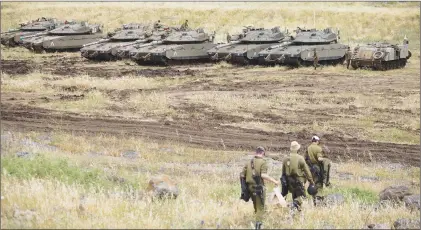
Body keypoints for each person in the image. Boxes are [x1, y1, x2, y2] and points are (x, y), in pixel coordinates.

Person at [240, 146, 280, 230]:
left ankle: (257, 220)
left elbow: (242, 175)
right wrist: (275, 181)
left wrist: (244, 188)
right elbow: (263, 175)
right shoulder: (263, 162)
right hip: (258, 188)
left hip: (249, 188)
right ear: (263, 153)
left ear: (256, 153)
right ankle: (258, 226)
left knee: (256, 206)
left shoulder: (249, 162)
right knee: (260, 208)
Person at [281, 141, 314, 212]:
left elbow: (283, 173)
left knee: (294, 196)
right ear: (297, 149)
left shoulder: (285, 159)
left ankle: (295, 212)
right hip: (299, 181)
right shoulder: (300, 158)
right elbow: (307, 171)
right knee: (302, 198)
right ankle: (293, 205)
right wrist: (311, 181)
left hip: (289, 182)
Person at [305, 136, 332, 204]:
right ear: (317, 141)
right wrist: (326, 160)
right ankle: (318, 202)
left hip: (310, 169)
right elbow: (319, 158)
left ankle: (314, 200)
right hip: (317, 169)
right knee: (319, 185)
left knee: (312, 184)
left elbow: (305, 159)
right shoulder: (318, 148)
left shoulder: (308, 148)